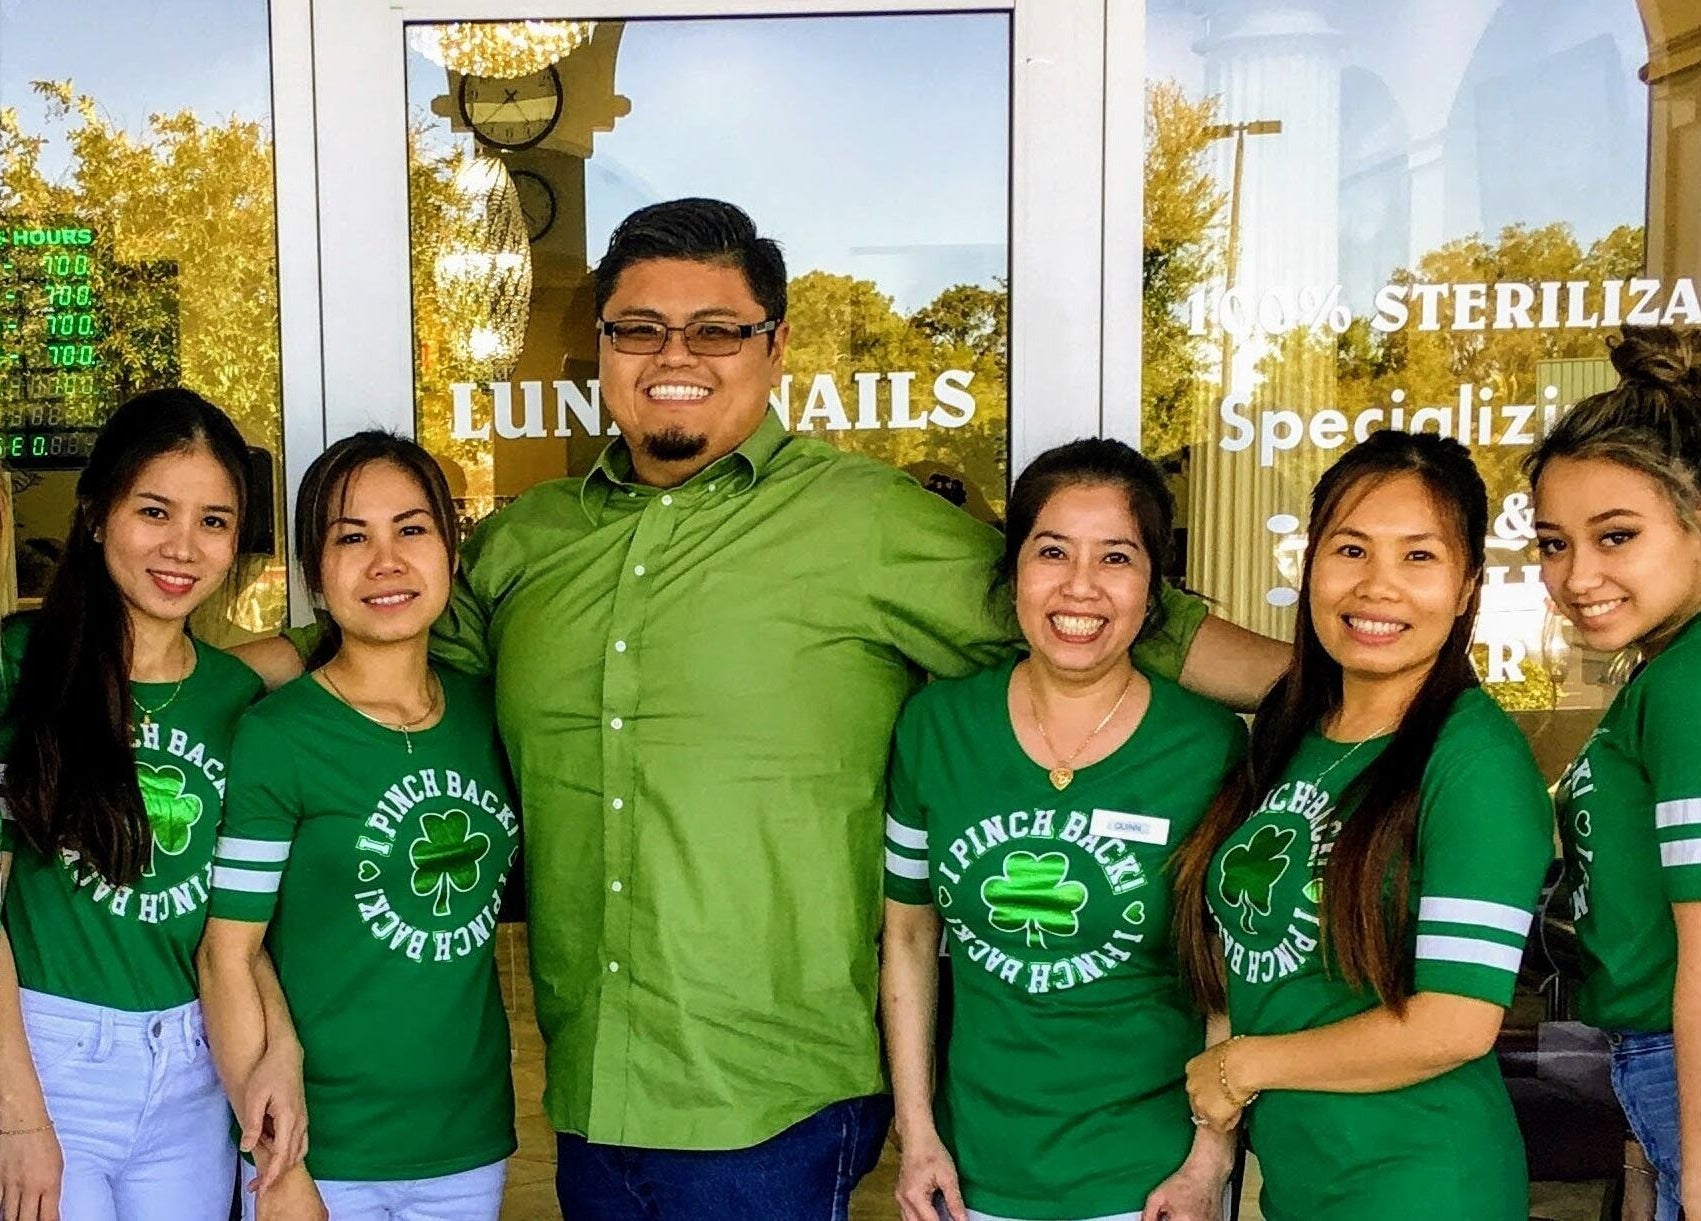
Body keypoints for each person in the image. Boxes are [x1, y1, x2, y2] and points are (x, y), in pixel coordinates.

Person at [236, 198, 1284, 1219]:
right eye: (638, 329)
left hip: (775, 1105)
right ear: (600, 350)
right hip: (589, 1089)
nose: (672, 356)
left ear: (775, 348)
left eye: (716, 331)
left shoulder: (867, 523)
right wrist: (189, 687)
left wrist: (1334, 697)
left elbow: (1098, 606)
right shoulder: (529, 543)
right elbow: (370, 645)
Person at [1170, 430, 1554, 1221]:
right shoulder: (1296, 730)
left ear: (1466, 586)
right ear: (1308, 566)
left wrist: (1242, 1066)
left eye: (1418, 557)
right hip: (1310, 1180)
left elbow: (1455, 1023)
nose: (1377, 586)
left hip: (1422, 1182)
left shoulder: (1473, 759)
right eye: (1350, 549)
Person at [882, 439, 1244, 1221]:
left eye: (1115, 556)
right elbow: (909, 939)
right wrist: (915, 1133)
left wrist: (1207, 1163)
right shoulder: (936, 727)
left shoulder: (1207, 746)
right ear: (1013, 570)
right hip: (967, 1174)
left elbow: (1225, 968)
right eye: (1051, 551)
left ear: (1153, 590)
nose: (1079, 586)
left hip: (1145, 1183)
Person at [201, 433, 518, 1220]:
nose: (385, 561)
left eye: (411, 529)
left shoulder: (491, 714)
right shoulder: (279, 735)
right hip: (324, 1147)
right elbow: (226, 954)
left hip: (468, 1139)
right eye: (352, 537)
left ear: (450, 550)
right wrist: (276, 1163)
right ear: (316, 573)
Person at [0, 389, 299, 1221]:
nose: (183, 546)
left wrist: (282, 1053)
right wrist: (17, 1119)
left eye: (214, 520)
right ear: (97, 515)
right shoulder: (22, 669)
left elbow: (232, 928)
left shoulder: (238, 697)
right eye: (155, 510)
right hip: (50, 1061)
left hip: (193, 1067)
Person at [1528, 326, 1701, 1221]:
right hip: (1651, 1057)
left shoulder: (1688, 684)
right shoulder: (1659, 671)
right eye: (1553, 543)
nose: (1576, 575)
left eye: (1616, 535)